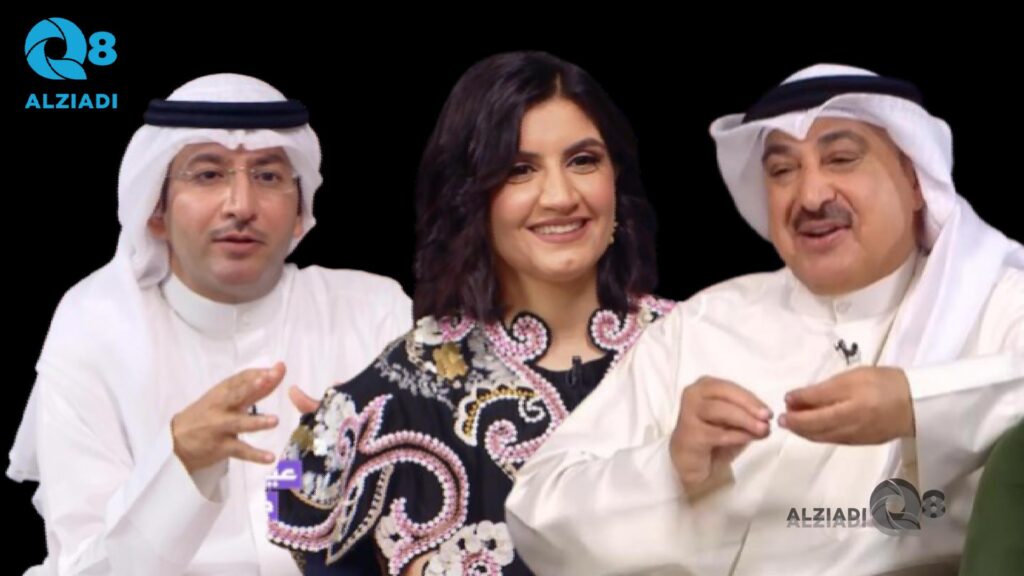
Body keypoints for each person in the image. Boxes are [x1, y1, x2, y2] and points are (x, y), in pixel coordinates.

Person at [506, 63, 1023, 575]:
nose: (812, 196)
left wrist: (915, 404)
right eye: (782, 171)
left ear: (914, 181)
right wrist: (670, 466)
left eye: (841, 159)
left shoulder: (994, 301)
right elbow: (537, 509)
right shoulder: (705, 322)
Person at [267, 51, 674, 575]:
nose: (560, 195)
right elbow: (287, 492)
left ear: (615, 175)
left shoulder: (695, 344)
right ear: (469, 195)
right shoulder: (410, 381)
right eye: (520, 170)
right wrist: (330, 431)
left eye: (583, 161)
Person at [8, 73, 412, 575]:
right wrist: (179, 462)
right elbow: (83, 569)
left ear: (299, 212)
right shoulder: (95, 326)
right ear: (155, 210)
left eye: (268, 176)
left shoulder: (373, 311)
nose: (241, 205)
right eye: (207, 174)